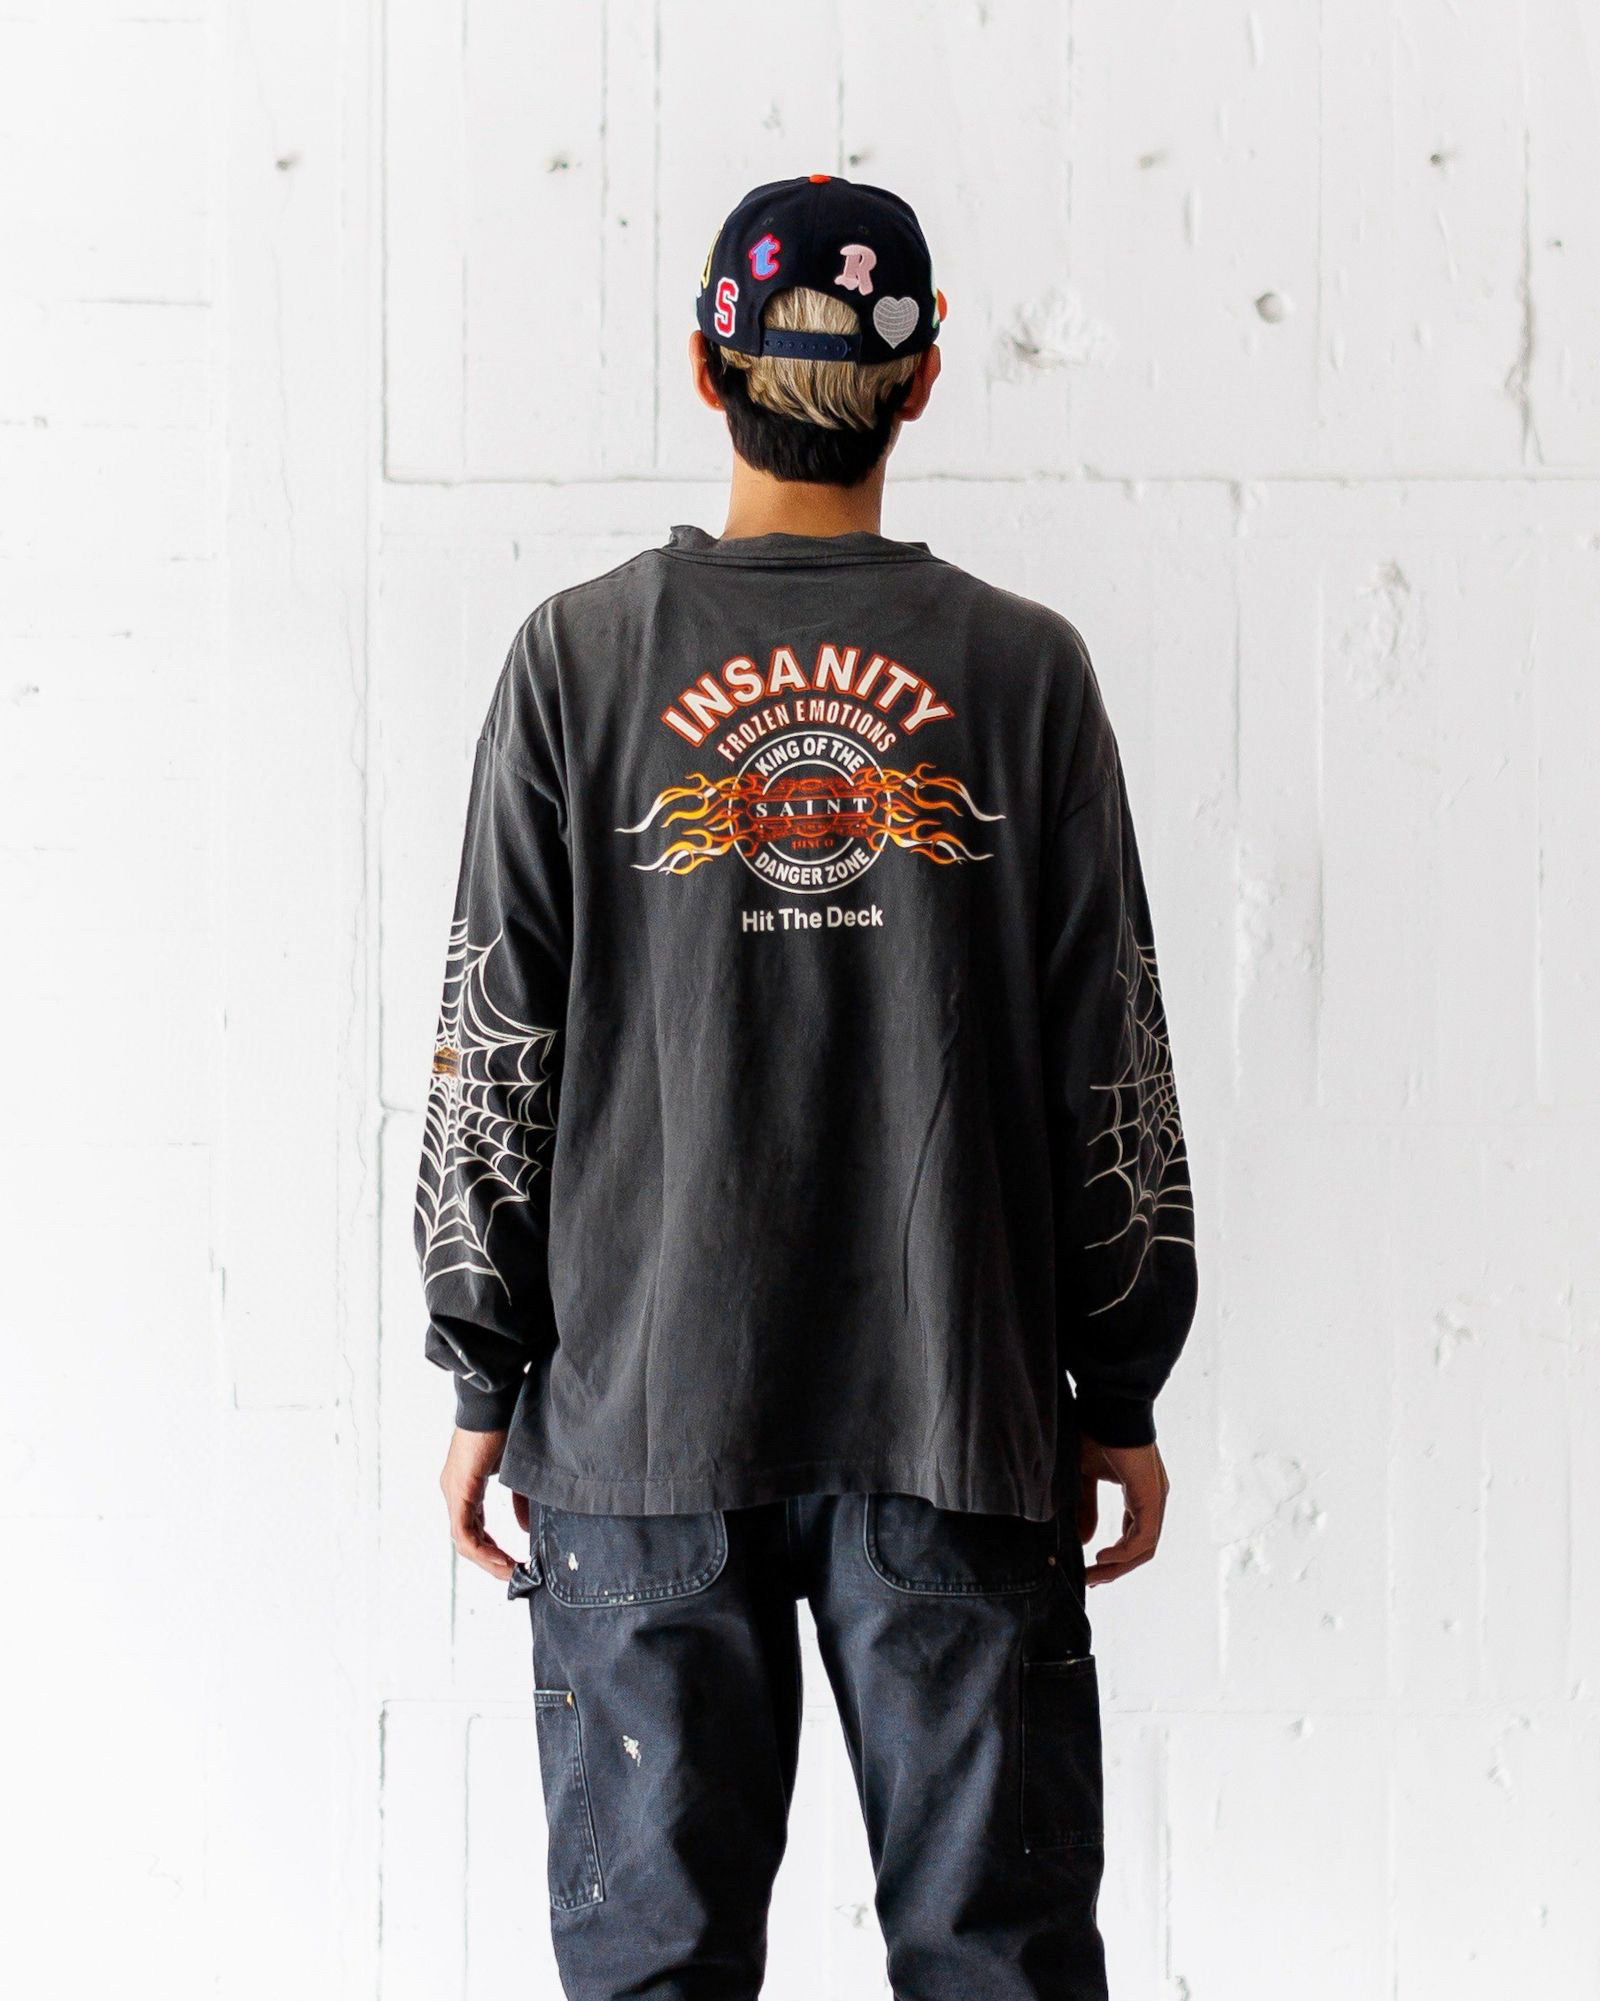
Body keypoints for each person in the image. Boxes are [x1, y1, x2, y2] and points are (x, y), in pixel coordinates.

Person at [415, 174, 1197, 2001]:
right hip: (957, 1416)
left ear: (706, 368)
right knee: (997, 1969)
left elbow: (492, 1040)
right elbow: (1113, 1059)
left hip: (644, 1430)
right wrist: (1120, 1379)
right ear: (923, 380)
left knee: (652, 1974)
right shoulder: (1024, 672)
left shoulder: (577, 658)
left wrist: (478, 1368)